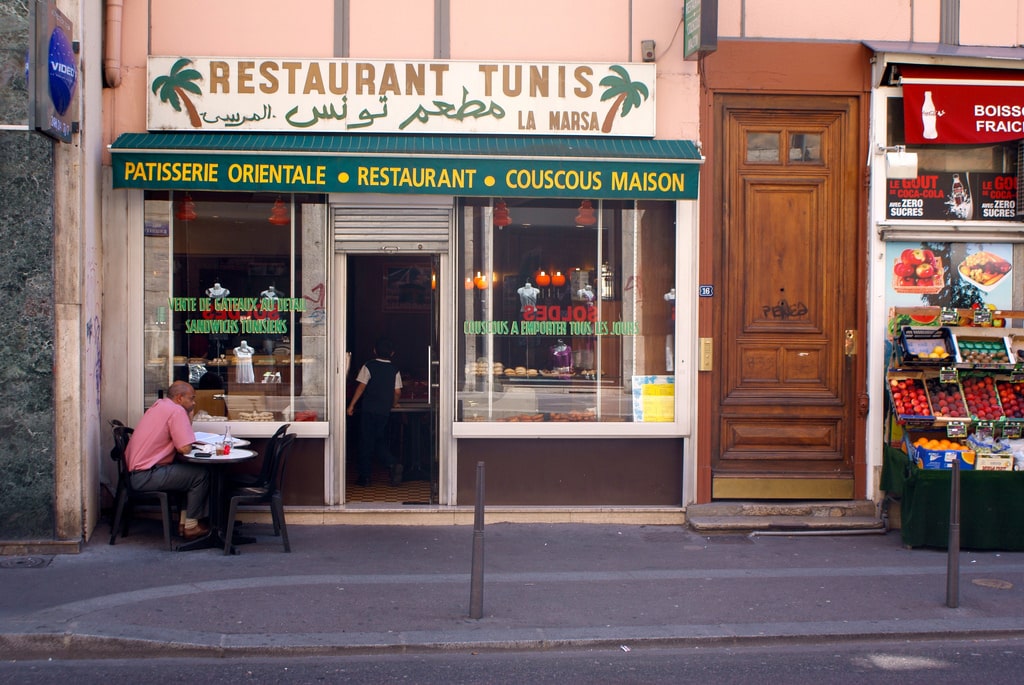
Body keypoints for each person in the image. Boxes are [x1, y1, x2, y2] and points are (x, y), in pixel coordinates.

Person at [125, 380, 210, 540]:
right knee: (201, 475)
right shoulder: (176, 411)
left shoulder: (160, 406)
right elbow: (184, 448)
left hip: (135, 474)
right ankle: (191, 527)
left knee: (188, 473)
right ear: (179, 398)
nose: (194, 402)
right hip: (146, 475)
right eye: (191, 399)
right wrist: (189, 415)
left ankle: (184, 524)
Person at [347, 337, 403, 486]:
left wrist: (351, 405)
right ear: (392, 353)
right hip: (383, 411)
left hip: (368, 409)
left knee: (366, 441)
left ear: (374, 351)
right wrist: (394, 404)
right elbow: (397, 391)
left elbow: (361, 387)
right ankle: (391, 463)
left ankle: (365, 477)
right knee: (378, 438)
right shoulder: (394, 369)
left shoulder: (369, 366)